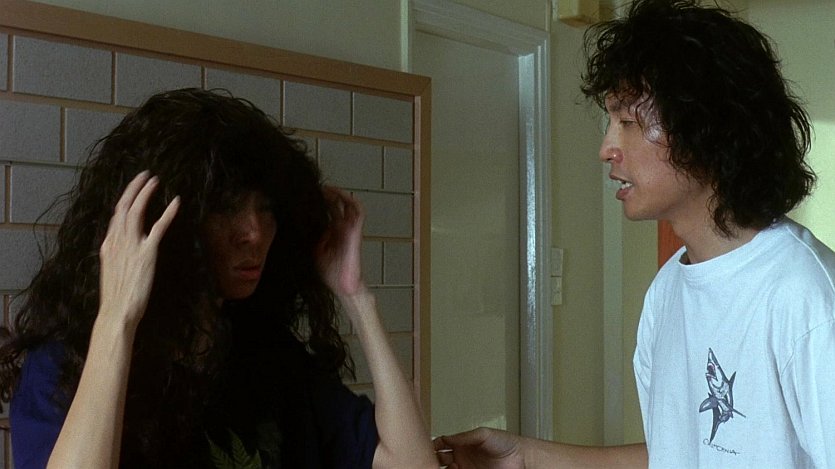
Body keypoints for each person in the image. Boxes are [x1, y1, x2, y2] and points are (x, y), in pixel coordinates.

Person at [434, 0, 835, 467]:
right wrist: (526, 457)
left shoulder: (804, 297)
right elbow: (677, 456)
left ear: (707, 129)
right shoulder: (668, 289)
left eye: (627, 122)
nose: (607, 148)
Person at [0, 88, 436, 469]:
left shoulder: (269, 356)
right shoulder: (61, 367)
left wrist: (356, 296)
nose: (255, 233)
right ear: (164, 221)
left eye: (266, 208)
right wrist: (117, 318)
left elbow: (412, 463)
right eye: (226, 206)